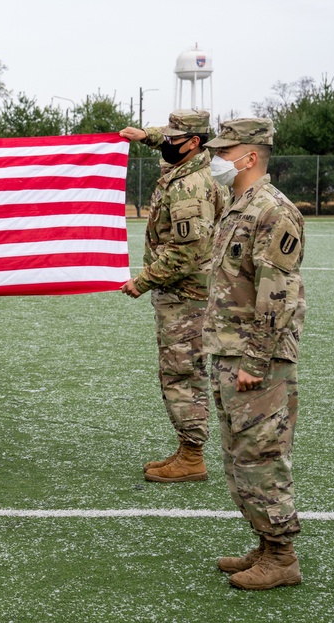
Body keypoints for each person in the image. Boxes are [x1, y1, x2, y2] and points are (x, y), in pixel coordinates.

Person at [202, 118, 306, 590]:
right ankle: (265, 545)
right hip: (230, 352)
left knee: (262, 457)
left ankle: (282, 557)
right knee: (240, 456)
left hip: (255, 359)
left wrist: (255, 362)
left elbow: (276, 294)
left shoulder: (272, 211)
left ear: (249, 157)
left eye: (225, 151)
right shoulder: (238, 205)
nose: (215, 159)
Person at [118, 111, 224, 483]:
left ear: (193, 142)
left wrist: (143, 280)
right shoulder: (186, 169)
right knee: (178, 371)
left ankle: (193, 457)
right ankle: (186, 447)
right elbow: (164, 135)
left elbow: (187, 251)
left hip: (186, 296)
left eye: (172, 137)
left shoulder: (189, 187)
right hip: (181, 294)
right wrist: (143, 134)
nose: (166, 141)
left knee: (182, 374)